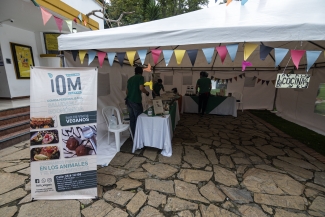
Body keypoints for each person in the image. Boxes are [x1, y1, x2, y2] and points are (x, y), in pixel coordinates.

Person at [126, 66, 149, 137]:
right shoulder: (140, 77)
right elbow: (141, 88)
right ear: (141, 72)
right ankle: (138, 136)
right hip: (136, 101)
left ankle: (132, 135)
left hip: (129, 100)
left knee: (132, 119)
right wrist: (147, 92)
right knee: (138, 118)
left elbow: (127, 92)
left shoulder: (130, 79)